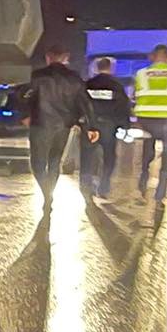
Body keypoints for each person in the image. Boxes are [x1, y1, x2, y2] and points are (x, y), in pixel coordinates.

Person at [20, 43, 97, 210]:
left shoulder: (37, 76)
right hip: (64, 125)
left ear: (48, 57)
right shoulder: (74, 79)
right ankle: (49, 194)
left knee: (37, 163)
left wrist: (25, 115)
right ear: (66, 58)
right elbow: (85, 104)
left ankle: (47, 194)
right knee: (55, 161)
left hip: (41, 124)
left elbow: (21, 95)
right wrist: (90, 127)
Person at [130, 43, 167, 204]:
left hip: (147, 120)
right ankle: (160, 192)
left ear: (152, 57)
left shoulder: (141, 74)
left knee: (147, 153)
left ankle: (142, 183)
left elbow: (136, 96)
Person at [80, 55, 133, 199]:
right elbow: (123, 106)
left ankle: (86, 185)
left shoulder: (88, 84)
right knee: (109, 156)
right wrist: (125, 125)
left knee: (87, 155)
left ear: (97, 68)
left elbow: (80, 103)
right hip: (109, 126)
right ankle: (104, 186)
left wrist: (80, 122)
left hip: (90, 126)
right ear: (111, 68)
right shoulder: (116, 85)